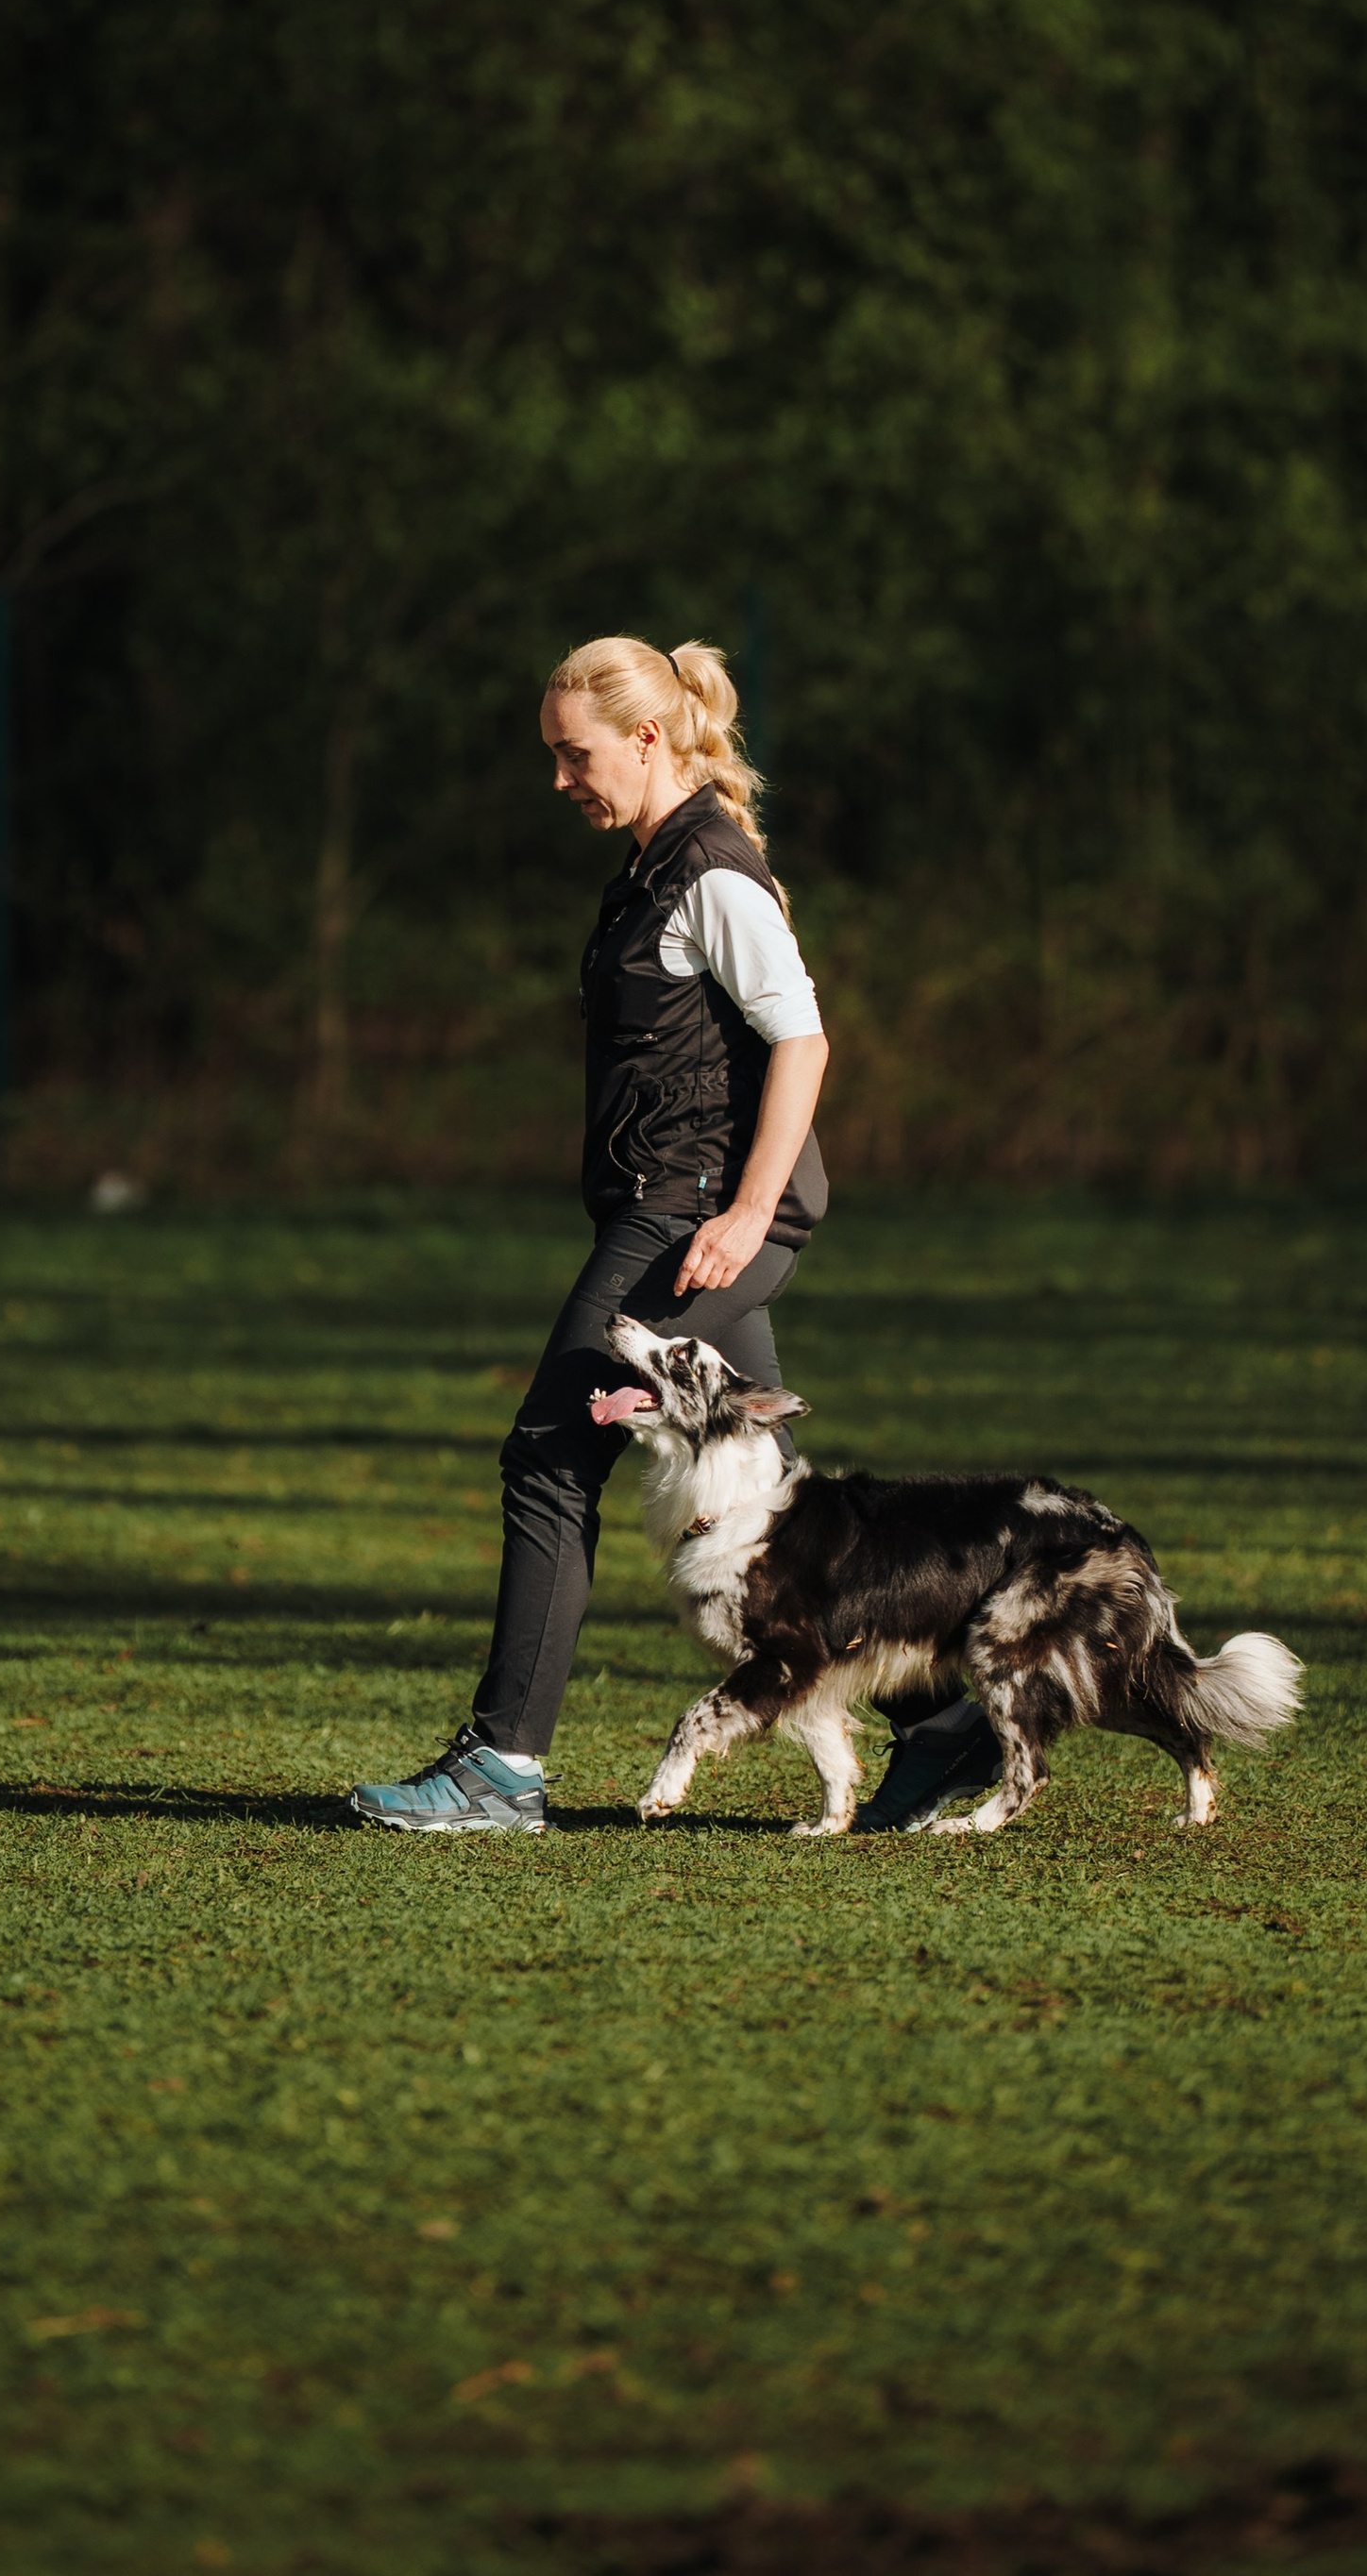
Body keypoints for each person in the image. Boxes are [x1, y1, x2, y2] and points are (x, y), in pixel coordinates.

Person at [348, 634, 1001, 1837]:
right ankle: (942, 1723)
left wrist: (745, 1214)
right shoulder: (650, 869)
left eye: (573, 754)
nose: (560, 781)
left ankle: (500, 1768)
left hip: (694, 1215)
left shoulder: (712, 872)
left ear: (647, 738)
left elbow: (802, 1042)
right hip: (675, 1207)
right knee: (776, 1497)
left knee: (548, 1458)